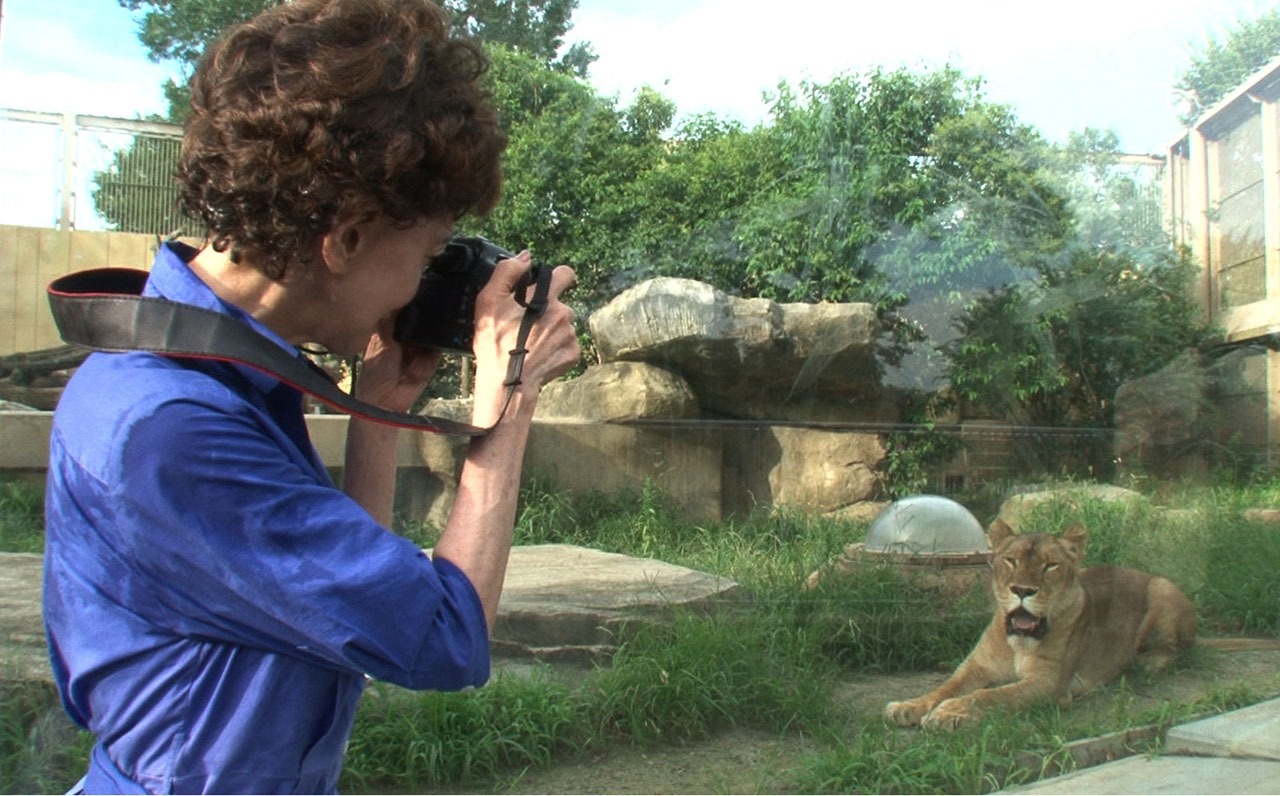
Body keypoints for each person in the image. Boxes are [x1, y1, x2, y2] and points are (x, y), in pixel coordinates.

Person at [41, 0, 580, 792]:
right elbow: (441, 640)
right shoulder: (172, 428)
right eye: (426, 252)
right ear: (348, 238)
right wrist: (509, 404)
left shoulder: (214, 372)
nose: (420, 283)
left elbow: (344, 618)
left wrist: (378, 412)